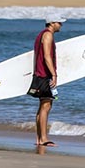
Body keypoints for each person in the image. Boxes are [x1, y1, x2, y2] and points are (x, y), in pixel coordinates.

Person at [33, 15, 66, 147]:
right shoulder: (47, 35)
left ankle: (39, 138)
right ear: (52, 23)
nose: (61, 25)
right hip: (44, 75)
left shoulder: (41, 34)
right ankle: (44, 139)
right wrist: (54, 74)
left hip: (39, 74)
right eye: (59, 23)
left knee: (43, 106)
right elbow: (47, 56)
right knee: (46, 106)